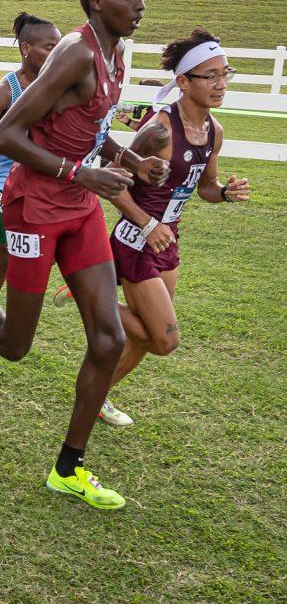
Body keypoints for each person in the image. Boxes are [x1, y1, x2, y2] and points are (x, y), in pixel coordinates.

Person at [0, 0, 170, 511]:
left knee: (110, 339)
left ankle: (69, 467)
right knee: (14, 344)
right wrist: (81, 172)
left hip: (79, 207)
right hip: (33, 206)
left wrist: (128, 161)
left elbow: (89, 125)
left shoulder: (116, 52)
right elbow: (4, 134)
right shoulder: (75, 53)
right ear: (97, 0)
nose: (140, 4)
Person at [101, 29, 249, 426]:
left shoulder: (213, 131)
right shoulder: (160, 129)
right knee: (163, 339)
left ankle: (98, 396)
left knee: (144, 339)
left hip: (169, 239)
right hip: (138, 239)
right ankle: (93, 300)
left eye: (225, 74)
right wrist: (148, 225)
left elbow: (205, 188)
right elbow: (111, 181)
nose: (220, 84)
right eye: (210, 76)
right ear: (183, 82)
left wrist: (226, 193)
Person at [0, 13, 61, 299]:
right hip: (0, 181)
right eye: (49, 47)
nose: (56, 53)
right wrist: (17, 144)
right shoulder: (7, 90)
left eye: (59, 46)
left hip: (36, 179)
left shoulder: (57, 86)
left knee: (47, 249)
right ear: (27, 49)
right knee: (7, 259)